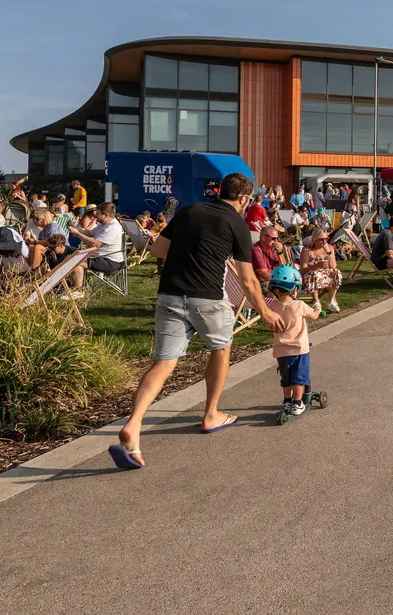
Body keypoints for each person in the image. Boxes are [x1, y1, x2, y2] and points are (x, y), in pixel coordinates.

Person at [109, 173, 278, 470]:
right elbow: (249, 280)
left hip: (170, 294)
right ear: (244, 199)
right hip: (207, 298)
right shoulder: (236, 222)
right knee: (221, 349)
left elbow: (158, 250)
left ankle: (134, 425)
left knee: (163, 363)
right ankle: (211, 414)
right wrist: (265, 312)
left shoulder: (189, 210)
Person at [265, 266, 320, 419]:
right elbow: (314, 315)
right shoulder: (300, 305)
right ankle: (297, 403)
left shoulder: (272, 307)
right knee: (299, 378)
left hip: (281, 350)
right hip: (299, 349)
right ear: (295, 289)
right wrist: (317, 307)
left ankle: (287, 401)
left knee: (286, 378)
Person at [66, 202, 125, 286]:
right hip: (99, 257)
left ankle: (78, 290)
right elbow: (89, 232)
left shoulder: (112, 228)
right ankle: (70, 285)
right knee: (69, 256)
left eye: (98, 214)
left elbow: (95, 244)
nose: (95, 216)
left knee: (75, 261)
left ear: (105, 214)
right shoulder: (103, 224)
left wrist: (77, 233)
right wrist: (74, 227)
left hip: (110, 261)